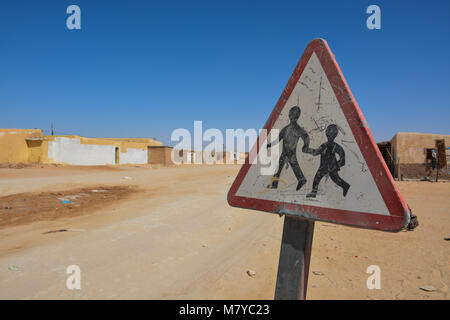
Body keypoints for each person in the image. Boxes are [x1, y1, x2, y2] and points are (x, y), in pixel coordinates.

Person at [267, 106, 310, 191]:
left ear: (296, 116)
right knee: (279, 168)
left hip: (291, 153)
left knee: (294, 167)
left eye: (293, 113)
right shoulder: (286, 128)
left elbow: (306, 137)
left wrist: (305, 146)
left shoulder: (298, 129)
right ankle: (275, 184)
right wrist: (270, 145)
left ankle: (302, 180)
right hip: (284, 152)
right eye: (290, 113)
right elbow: (278, 139)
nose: (290, 115)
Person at [305, 124, 350, 198]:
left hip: (329, 166)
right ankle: (345, 186)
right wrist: (308, 150)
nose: (328, 134)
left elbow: (343, 159)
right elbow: (316, 152)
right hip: (324, 166)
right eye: (328, 132)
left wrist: (335, 166)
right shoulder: (325, 145)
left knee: (326, 178)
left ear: (334, 134)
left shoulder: (334, 146)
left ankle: (345, 186)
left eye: (330, 133)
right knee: (321, 178)